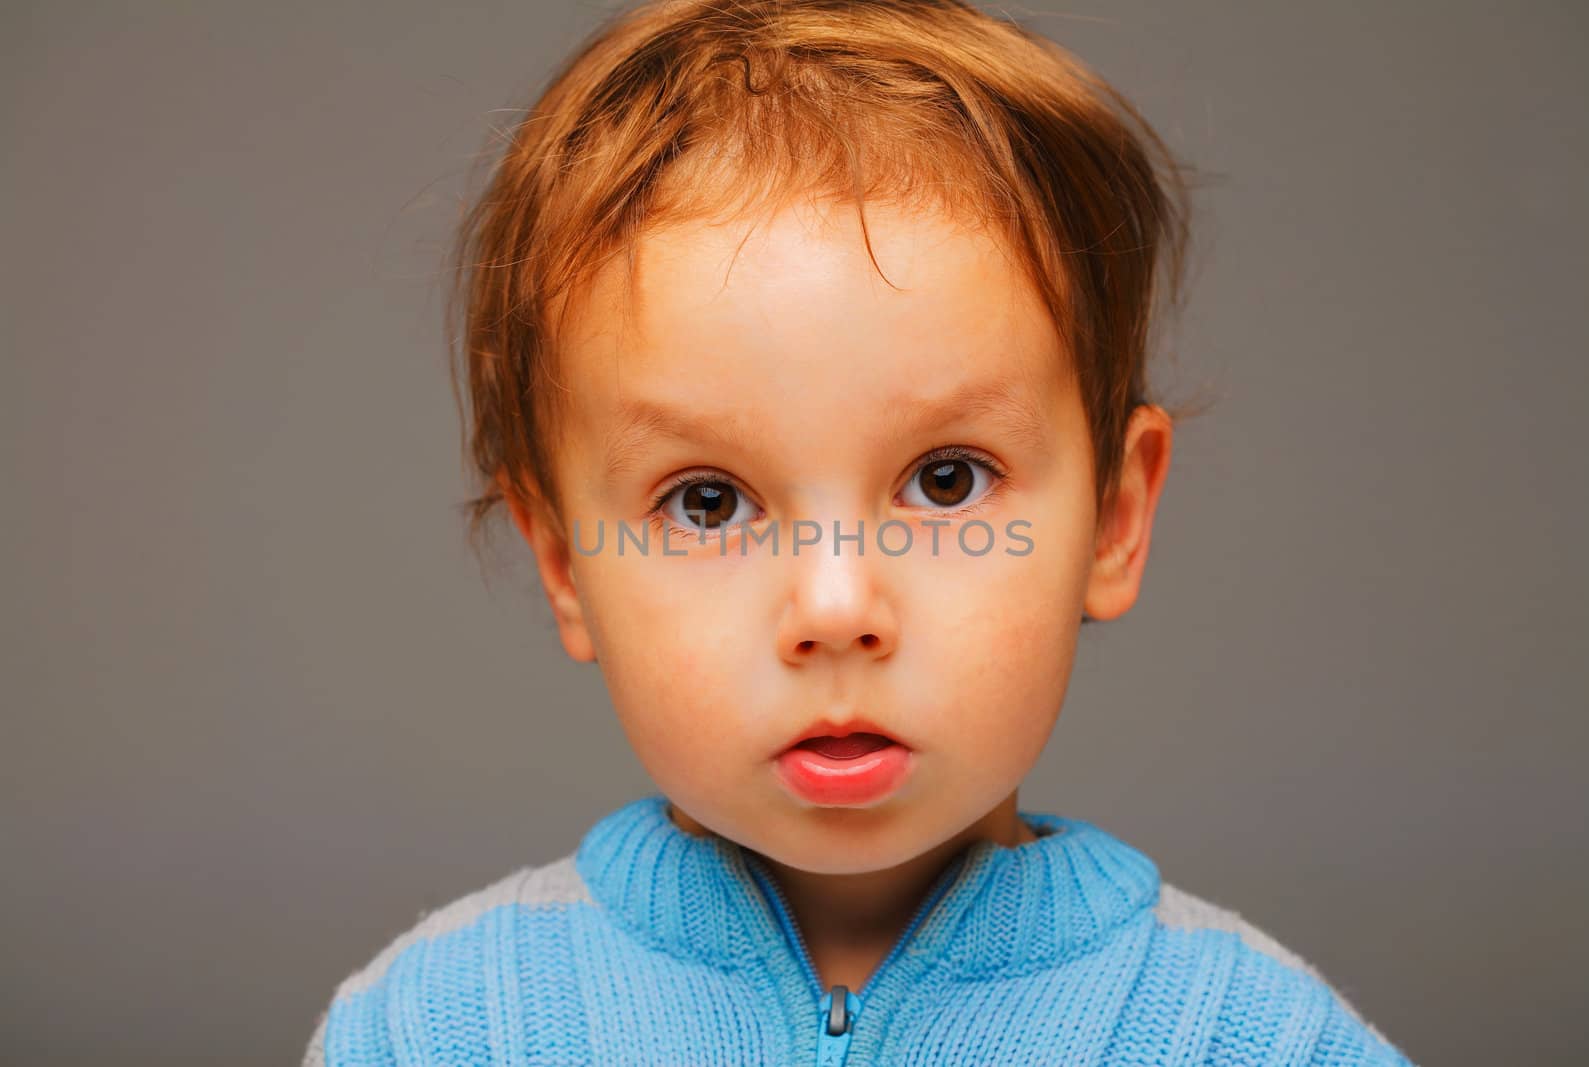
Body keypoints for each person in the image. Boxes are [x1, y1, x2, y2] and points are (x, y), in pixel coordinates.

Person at [304, 1, 1414, 1062]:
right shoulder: (434, 1029)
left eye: (943, 480)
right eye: (706, 501)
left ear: (1115, 519)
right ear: (563, 563)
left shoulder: (1250, 1037)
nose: (835, 609)